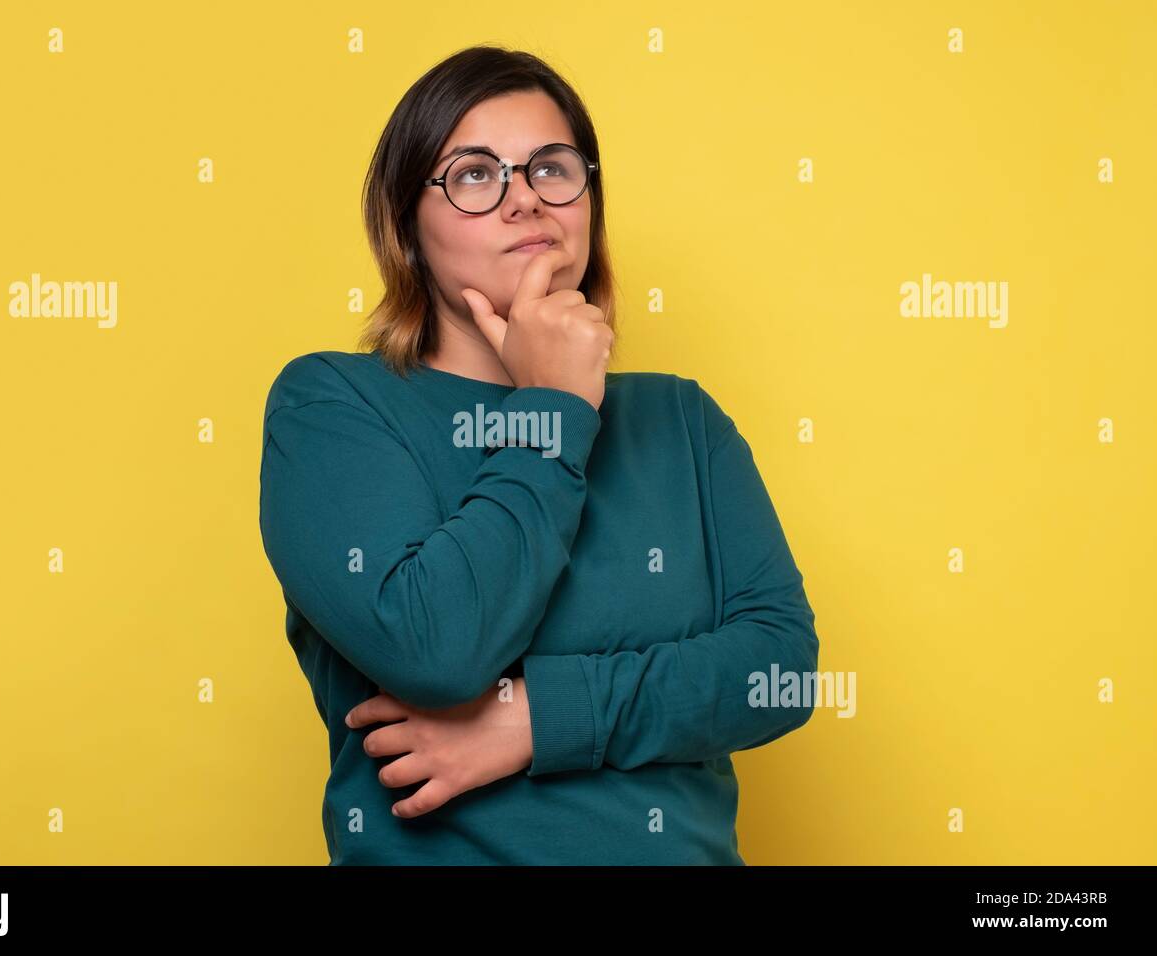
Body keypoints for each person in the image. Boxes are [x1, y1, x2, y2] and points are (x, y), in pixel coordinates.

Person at [259, 44, 819, 865]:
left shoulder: (679, 420)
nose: (525, 200)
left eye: (552, 169)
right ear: (406, 221)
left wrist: (537, 720)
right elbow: (435, 649)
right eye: (475, 175)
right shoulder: (332, 405)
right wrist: (552, 407)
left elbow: (782, 670)